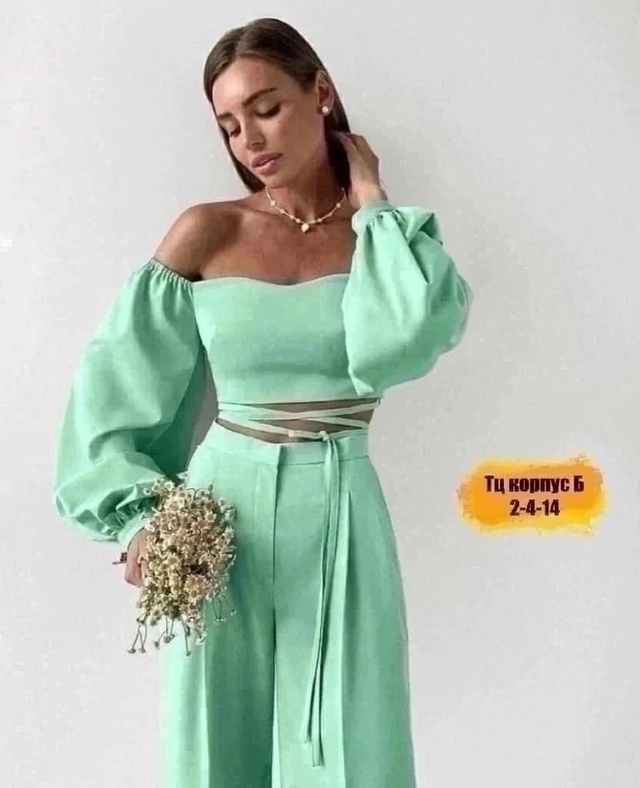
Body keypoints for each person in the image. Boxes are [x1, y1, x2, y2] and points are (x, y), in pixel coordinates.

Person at [52, 16, 473, 788]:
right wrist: (142, 517)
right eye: (228, 125)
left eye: (266, 108)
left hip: (343, 508)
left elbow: (406, 341)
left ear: (321, 92)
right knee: (218, 733)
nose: (249, 139)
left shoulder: (383, 244)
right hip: (221, 514)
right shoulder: (206, 233)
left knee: (352, 736)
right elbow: (113, 391)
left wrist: (372, 200)